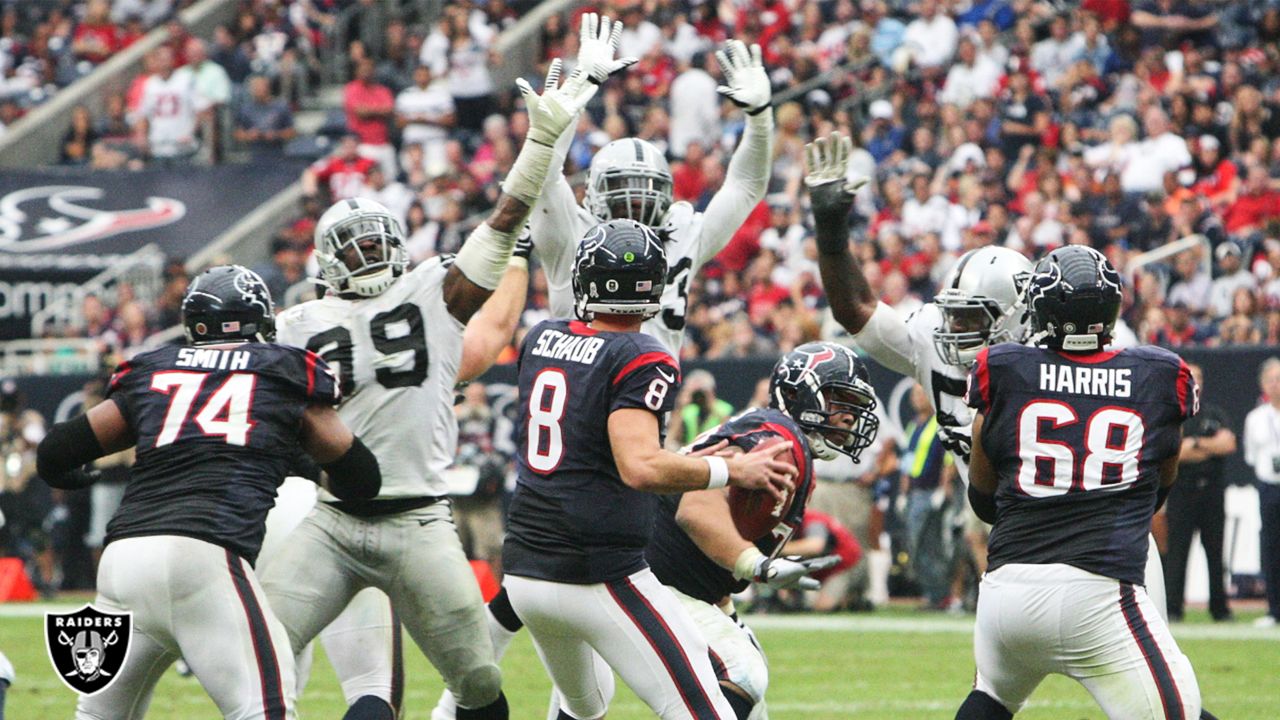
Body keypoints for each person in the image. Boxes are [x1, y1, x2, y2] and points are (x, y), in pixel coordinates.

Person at [257, 60, 598, 720]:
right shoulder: (415, 296)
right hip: (350, 522)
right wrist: (541, 145)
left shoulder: (317, 319)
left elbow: (502, 225)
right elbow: (502, 221)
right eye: (355, 247)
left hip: (395, 520)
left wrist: (540, 147)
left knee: (474, 680)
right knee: (256, 657)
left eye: (369, 245)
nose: (365, 255)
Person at [807, 132, 1173, 622]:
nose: (952, 331)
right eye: (953, 315)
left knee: (1154, 689)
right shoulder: (933, 340)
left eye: (970, 320)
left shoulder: (1061, 357)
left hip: (1100, 543)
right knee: (999, 684)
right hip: (1017, 545)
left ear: (1016, 318)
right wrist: (831, 228)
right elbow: (855, 308)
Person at [35, 265, 382, 720]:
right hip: (204, 555)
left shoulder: (155, 368)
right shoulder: (282, 372)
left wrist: (70, 476)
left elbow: (57, 451)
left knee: (98, 717)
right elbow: (362, 476)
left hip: (122, 565)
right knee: (265, 710)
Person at [502, 218, 796, 720]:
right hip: (595, 572)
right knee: (706, 711)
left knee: (585, 705)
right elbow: (639, 466)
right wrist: (729, 471)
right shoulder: (641, 354)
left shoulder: (542, 337)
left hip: (525, 572)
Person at [957, 245, 1201, 720]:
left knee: (990, 696)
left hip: (1007, 594)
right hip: (1100, 591)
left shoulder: (1003, 368)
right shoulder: (1158, 375)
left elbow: (983, 499)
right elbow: (1159, 486)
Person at [644, 340, 880, 719]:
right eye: (838, 398)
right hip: (653, 574)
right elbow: (696, 507)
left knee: (751, 693)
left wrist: (723, 603)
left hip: (680, 580)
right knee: (740, 669)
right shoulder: (780, 442)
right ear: (800, 392)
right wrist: (757, 565)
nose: (849, 416)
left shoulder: (782, 437)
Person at [530, 27, 774, 356]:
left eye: (644, 191)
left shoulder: (679, 233)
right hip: (586, 401)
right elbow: (543, 177)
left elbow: (745, 187)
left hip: (651, 401)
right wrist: (581, 84)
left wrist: (760, 120)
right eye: (622, 190)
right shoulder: (570, 230)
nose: (635, 203)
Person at [1164, 362, 1236, 622]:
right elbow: (1174, 453)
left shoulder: (1214, 414)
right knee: (1178, 551)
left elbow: (1228, 443)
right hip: (1181, 492)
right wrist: (1206, 446)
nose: (1196, 381)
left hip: (1212, 493)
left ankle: (1220, 608)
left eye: (1199, 377)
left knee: (1216, 552)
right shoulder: (1173, 416)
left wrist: (1194, 444)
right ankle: (1173, 608)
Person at [1243, 357, 1280, 629]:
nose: (1277, 385)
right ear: (1263, 385)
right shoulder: (1256, 418)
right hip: (1269, 486)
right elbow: (1252, 456)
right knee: (1271, 546)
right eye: (1272, 379)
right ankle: (1274, 608)